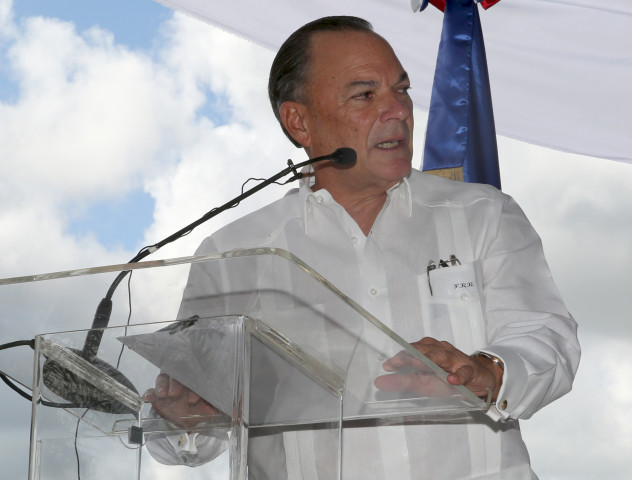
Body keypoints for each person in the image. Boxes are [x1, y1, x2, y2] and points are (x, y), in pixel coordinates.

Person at [144, 15, 580, 479]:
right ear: (299, 121)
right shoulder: (235, 255)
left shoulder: (483, 215)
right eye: (365, 95)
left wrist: (489, 371)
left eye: (402, 89)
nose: (398, 110)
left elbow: (545, 338)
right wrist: (184, 416)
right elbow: (188, 435)